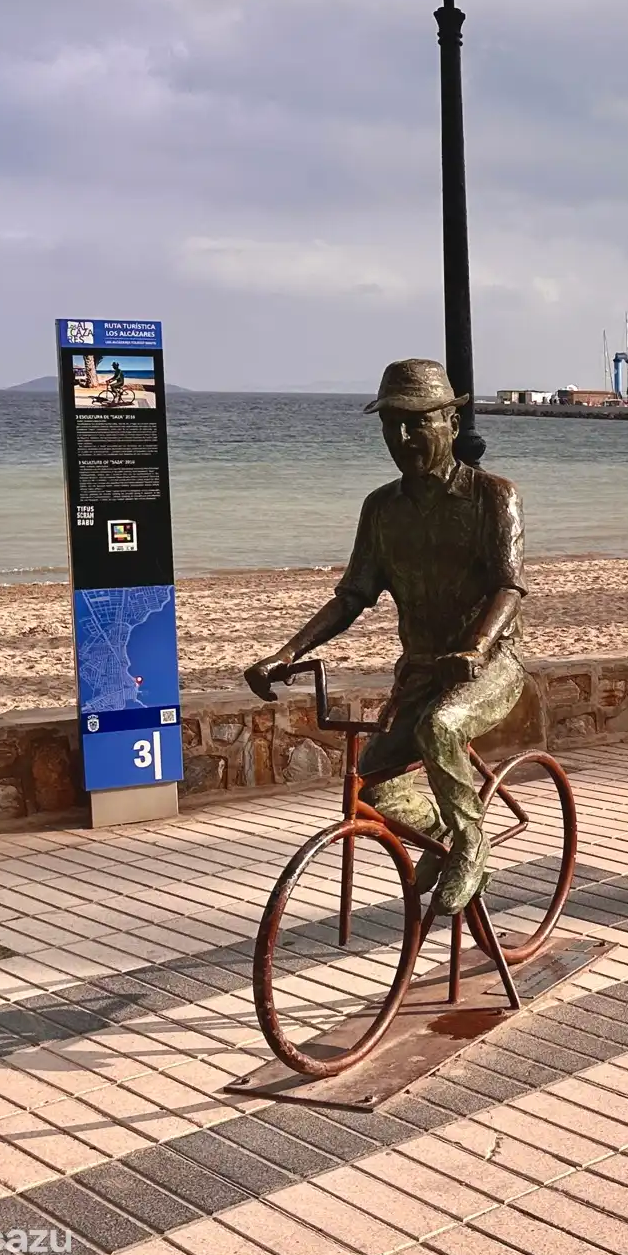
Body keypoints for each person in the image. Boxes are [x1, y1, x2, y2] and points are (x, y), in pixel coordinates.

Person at [244, 358, 527, 915]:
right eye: (391, 424)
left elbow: (509, 587)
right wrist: (286, 653)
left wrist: (474, 648)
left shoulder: (493, 496)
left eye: (417, 422)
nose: (402, 437)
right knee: (372, 784)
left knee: (442, 727)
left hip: (491, 664)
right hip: (422, 669)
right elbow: (352, 597)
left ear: (450, 419)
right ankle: (448, 829)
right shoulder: (381, 509)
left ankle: (471, 844)